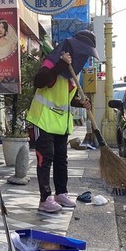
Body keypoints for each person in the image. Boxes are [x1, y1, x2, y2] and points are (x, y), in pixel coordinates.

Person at [26, 30, 98, 213]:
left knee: (61, 160)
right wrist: (59, 65)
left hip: (60, 124)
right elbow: (40, 81)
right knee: (46, 158)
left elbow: (66, 98)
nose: (84, 58)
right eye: (83, 53)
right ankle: (45, 198)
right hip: (42, 120)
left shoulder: (74, 72)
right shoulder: (53, 61)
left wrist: (81, 103)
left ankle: (61, 193)